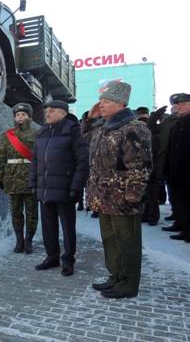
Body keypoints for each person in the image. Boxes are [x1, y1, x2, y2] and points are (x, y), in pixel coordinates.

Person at [83, 81, 152, 299]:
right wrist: (90, 120)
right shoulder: (104, 127)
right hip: (104, 198)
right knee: (111, 241)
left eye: (107, 101)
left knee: (127, 243)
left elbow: (140, 166)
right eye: (101, 100)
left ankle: (128, 284)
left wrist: (132, 197)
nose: (101, 105)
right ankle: (115, 276)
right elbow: (87, 143)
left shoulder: (134, 128)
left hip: (123, 199)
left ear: (121, 103)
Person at [30, 100, 89, 276]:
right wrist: (34, 184)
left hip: (65, 190)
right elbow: (35, 162)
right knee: (48, 227)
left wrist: (75, 187)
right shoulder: (42, 132)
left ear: (62, 113)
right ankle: (52, 257)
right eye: (46, 110)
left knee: (67, 228)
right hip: (45, 190)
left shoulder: (72, 131)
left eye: (51, 111)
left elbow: (83, 162)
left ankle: (68, 260)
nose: (47, 114)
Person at [0, 103, 39, 254]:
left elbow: (41, 158)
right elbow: (0, 157)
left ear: (29, 117)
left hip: (31, 177)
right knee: (16, 212)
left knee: (32, 213)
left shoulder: (37, 134)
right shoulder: (7, 136)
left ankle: (29, 241)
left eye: (23, 114)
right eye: (17, 115)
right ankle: (19, 241)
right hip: (12, 178)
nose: (20, 117)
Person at [164, 93, 190, 242]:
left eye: (183, 104)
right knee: (180, 203)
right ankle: (182, 226)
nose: (178, 107)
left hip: (187, 173)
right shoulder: (177, 125)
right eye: (177, 105)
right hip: (176, 173)